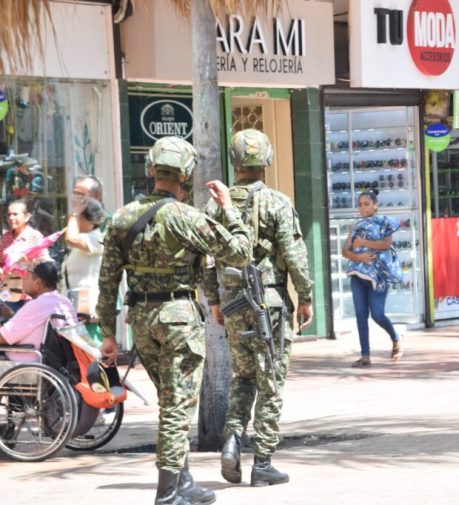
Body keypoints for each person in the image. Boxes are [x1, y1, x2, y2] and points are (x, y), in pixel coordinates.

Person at [97, 136, 254, 505]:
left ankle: (183, 482)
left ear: (151, 170)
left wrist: (107, 332)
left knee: (171, 399)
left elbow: (107, 281)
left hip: (141, 320)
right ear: (185, 174)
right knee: (176, 406)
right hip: (179, 321)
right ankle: (168, 493)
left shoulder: (122, 217)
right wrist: (228, 208)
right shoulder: (185, 217)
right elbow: (241, 252)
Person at [205, 129, 313, 488]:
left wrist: (215, 300)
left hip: (234, 303)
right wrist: (306, 296)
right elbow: (294, 254)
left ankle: (233, 441)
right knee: (271, 381)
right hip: (271, 302)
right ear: (266, 159)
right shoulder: (277, 202)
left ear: (236, 162)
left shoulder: (216, 206)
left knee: (244, 377)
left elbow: (205, 260)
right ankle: (263, 461)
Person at [341, 190, 403, 367]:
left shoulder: (384, 222)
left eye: (366, 204)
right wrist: (358, 257)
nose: (363, 208)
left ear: (375, 205)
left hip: (378, 275)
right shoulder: (355, 225)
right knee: (361, 315)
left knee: (377, 314)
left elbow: (386, 244)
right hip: (357, 274)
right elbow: (345, 251)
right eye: (360, 205)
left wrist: (363, 243)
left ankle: (395, 338)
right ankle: (365, 355)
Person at [0, 261, 76, 361]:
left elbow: (3, 338)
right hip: (57, 363)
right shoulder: (65, 302)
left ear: (37, 283)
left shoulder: (36, 305)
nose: (23, 281)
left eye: (26, 277)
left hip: (22, 365)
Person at [60, 198, 106, 338]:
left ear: (91, 223)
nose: (73, 221)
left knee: (91, 347)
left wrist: (74, 215)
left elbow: (71, 239)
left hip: (87, 306)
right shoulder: (82, 240)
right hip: (73, 304)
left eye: (79, 218)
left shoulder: (96, 238)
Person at [0, 200, 48, 313]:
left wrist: (29, 261)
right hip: (9, 293)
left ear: (27, 217)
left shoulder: (35, 237)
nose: (11, 218)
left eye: (15, 214)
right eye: (9, 214)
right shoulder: (6, 238)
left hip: (30, 294)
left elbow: (46, 263)